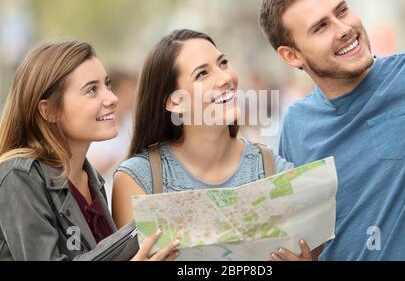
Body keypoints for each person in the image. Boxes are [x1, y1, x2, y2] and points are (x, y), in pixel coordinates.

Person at [258, 0, 405, 260]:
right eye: (321, 26)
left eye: (342, 11)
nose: (343, 28)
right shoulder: (297, 126)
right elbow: (304, 238)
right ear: (292, 55)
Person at [111, 29, 317, 261]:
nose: (225, 78)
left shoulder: (274, 172)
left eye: (223, 63)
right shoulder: (138, 180)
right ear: (174, 102)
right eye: (202, 74)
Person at [0, 41, 178, 260]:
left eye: (108, 85)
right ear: (50, 111)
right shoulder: (18, 177)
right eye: (92, 90)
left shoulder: (89, 178)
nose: (112, 99)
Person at [87, 70, 137, 210]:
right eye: (129, 90)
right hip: (106, 200)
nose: (134, 95)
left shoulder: (133, 123)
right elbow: (91, 167)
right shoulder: (94, 125)